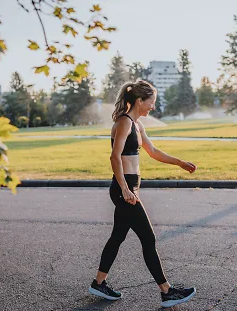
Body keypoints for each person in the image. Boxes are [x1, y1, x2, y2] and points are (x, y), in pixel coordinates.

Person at [88, 80, 197, 308]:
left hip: (129, 189)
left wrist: (180, 163)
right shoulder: (124, 123)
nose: (153, 107)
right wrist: (125, 189)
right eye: (152, 102)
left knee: (117, 237)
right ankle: (166, 291)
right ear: (140, 100)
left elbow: (154, 152)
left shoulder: (137, 125)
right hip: (123, 190)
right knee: (149, 239)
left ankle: (99, 282)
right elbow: (114, 157)